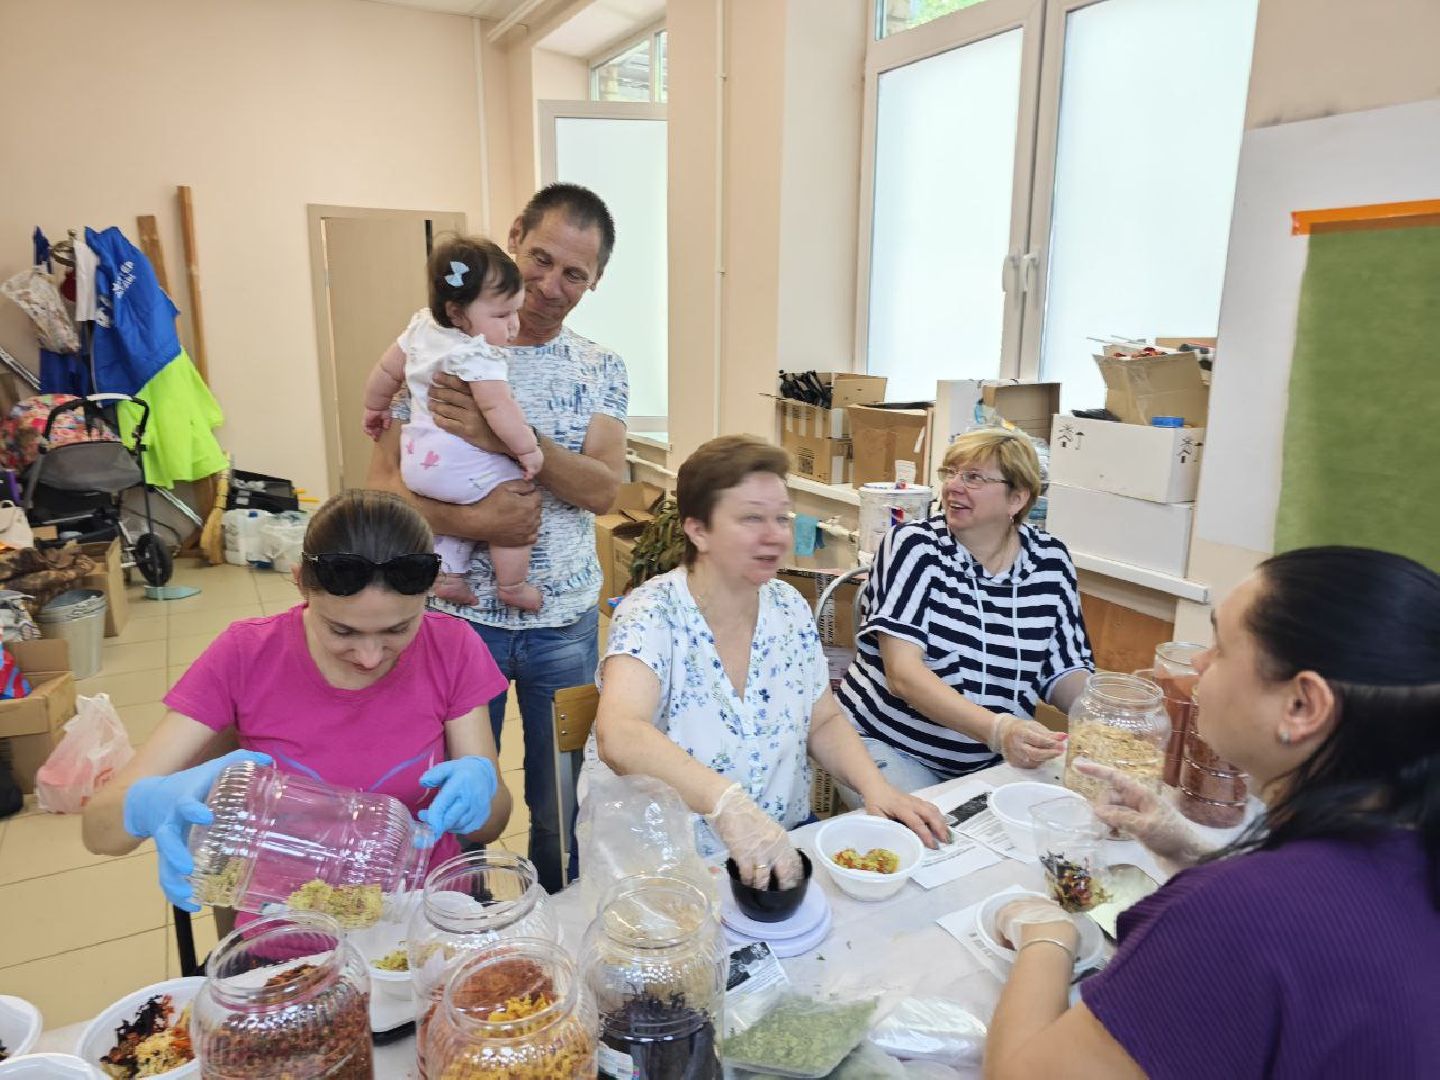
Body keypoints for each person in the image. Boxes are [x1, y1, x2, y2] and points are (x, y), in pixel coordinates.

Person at [985, 546, 1440, 1078]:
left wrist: (1047, 933)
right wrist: (1189, 851)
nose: (1195, 666)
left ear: (1301, 706)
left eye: (1220, 648)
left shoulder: (1234, 916)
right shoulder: (1409, 843)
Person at [82, 490, 513, 915]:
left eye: (399, 629)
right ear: (299, 583)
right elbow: (99, 831)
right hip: (291, 927)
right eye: (342, 632)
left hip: (425, 915)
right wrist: (144, 806)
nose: (370, 656)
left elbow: (493, 822)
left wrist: (479, 791)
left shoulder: (451, 646)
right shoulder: (245, 654)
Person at [370, 182, 627, 893]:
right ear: (515, 236)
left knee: (563, 801)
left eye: (575, 274)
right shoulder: (436, 347)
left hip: (564, 626)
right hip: (454, 625)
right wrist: (478, 523)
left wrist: (507, 436)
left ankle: (561, 921)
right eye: (540, 259)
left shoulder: (600, 367)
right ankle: (466, 930)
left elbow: (607, 488)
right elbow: (382, 486)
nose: (549, 286)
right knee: (458, 800)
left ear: (595, 280)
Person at [586, 436, 950, 888]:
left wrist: (876, 789)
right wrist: (727, 805)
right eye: (751, 518)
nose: (774, 534)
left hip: (780, 845)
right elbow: (620, 735)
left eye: (781, 517)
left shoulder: (789, 608)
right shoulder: (653, 613)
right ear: (698, 530)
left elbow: (822, 722)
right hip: (674, 866)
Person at [836, 427, 1091, 796]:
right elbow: (903, 675)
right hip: (889, 745)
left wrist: (1109, 718)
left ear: (1016, 498)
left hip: (992, 758)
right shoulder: (915, 546)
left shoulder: (1051, 561)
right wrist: (998, 731)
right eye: (950, 473)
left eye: (972, 477)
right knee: (932, 842)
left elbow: (1064, 669)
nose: (953, 486)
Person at [362, 236, 543, 611]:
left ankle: (450, 575)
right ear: (458, 313)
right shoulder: (477, 352)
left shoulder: (421, 327)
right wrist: (527, 449)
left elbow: (385, 371)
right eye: (502, 315)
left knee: (458, 501)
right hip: (459, 465)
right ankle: (512, 585)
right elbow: (498, 410)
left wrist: (374, 408)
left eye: (516, 311)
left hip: (419, 463)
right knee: (514, 500)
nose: (514, 325)